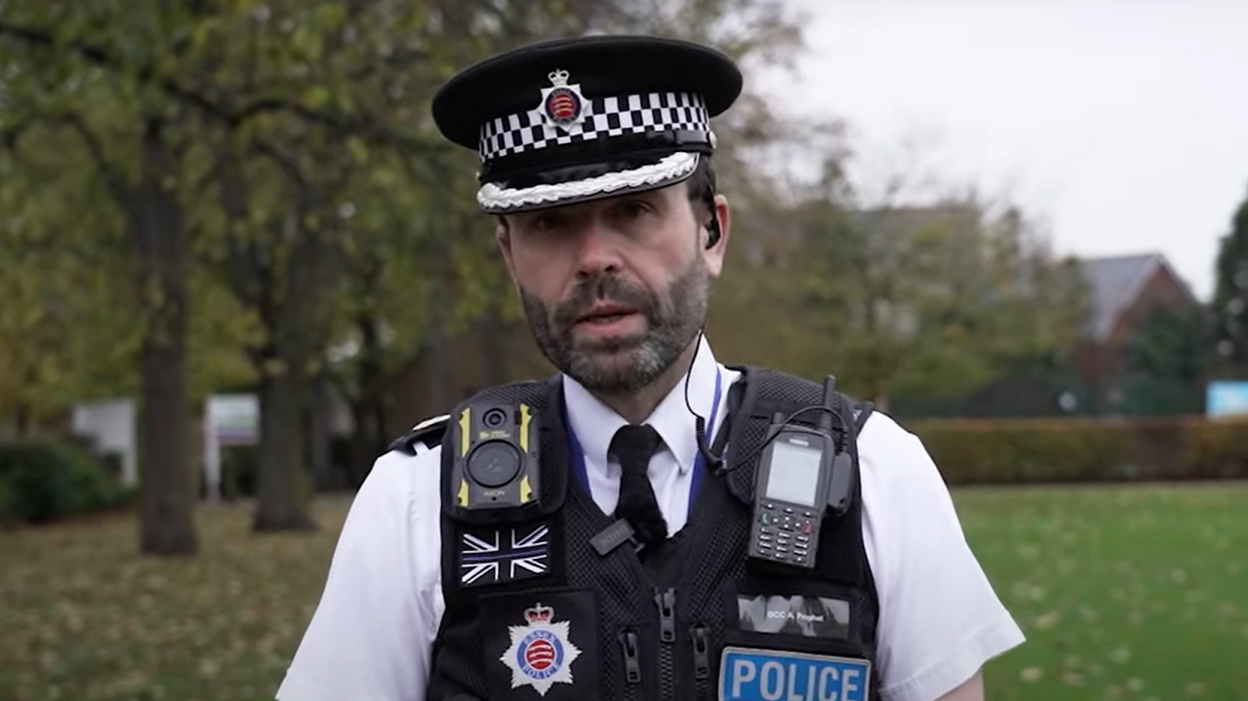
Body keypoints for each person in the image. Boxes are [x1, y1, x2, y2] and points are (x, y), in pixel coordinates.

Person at [275, 34, 1025, 701]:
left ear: (713, 231)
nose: (594, 257)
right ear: (508, 255)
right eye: (549, 223)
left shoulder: (875, 472)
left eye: (634, 209)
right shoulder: (418, 499)